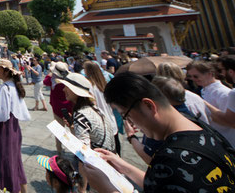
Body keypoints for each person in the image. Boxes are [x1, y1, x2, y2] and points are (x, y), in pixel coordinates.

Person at [83, 72, 235, 193]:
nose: (131, 123)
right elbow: (161, 184)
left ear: (148, 106)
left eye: (126, 115)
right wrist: (122, 166)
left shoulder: (171, 158)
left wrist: (107, 189)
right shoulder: (199, 126)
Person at [62, 72, 116, 193]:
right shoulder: (93, 108)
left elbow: (84, 152)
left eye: (67, 87)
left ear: (75, 91)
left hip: (99, 165)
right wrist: (72, 126)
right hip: (109, 160)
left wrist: (82, 188)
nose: (64, 89)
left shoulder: (81, 114)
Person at [0, 59, 31, 193]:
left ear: (5, 71)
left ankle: (12, 188)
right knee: (16, 161)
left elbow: (2, 114)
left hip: (5, 128)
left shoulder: (5, 88)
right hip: (14, 127)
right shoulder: (14, 86)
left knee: (5, 161)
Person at [187, 61, 235, 147]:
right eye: (190, 76)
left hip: (228, 141)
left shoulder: (223, 93)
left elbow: (231, 122)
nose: (193, 79)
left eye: (196, 76)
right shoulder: (204, 89)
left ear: (209, 74)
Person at [82, 61, 119, 153]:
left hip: (100, 125)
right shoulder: (105, 84)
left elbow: (92, 105)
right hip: (112, 122)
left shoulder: (90, 86)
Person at [44, 62, 73, 154]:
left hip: (57, 107)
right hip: (69, 106)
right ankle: (77, 149)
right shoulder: (69, 79)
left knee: (59, 129)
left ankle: (59, 149)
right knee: (73, 129)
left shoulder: (53, 79)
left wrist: (50, 73)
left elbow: (45, 81)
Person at [205, 55, 235, 127]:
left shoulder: (233, 93)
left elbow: (230, 121)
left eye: (221, 70)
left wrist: (204, 104)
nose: (222, 74)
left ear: (230, 71)